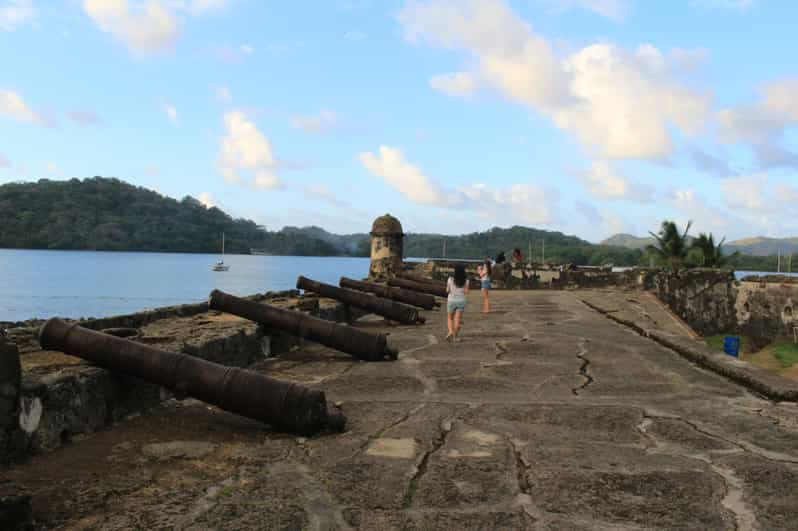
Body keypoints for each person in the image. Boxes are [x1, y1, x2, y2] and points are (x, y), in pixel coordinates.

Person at [445, 263, 469, 342]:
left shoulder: (450, 279)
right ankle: (455, 337)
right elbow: (466, 292)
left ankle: (451, 331)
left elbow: (447, 290)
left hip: (451, 300)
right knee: (457, 319)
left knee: (450, 318)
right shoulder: (466, 280)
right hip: (461, 301)